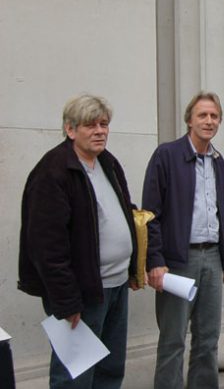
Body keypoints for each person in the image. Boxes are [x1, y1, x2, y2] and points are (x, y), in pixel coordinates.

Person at [18, 94, 140, 388]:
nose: (99, 131)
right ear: (71, 130)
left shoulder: (107, 162)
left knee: (110, 370)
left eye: (104, 124)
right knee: (75, 376)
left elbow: (123, 211)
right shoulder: (54, 171)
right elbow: (47, 246)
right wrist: (66, 301)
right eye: (90, 125)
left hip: (116, 286)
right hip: (83, 295)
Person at [142, 91, 224, 389]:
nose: (209, 121)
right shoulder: (166, 155)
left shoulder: (218, 162)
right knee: (173, 340)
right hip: (178, 261)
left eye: (214, 116)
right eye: (202, 115)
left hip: (212, 259)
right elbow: (150, 213)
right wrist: (155, 261)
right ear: (189, 120)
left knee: (208, 339)